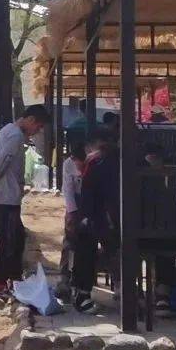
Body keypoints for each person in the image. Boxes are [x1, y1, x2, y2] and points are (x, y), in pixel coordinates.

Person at [0, 104, 51, 299]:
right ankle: (1, 284)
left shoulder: (2, 132)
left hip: (5, 195)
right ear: (31, 120)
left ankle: (14, 279)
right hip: (6, 198)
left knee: (17, 238)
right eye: (38, 126)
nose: (37, 131)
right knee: (8, 242)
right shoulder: (15, 136)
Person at [67, 128, 120, 313]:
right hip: (140, 228)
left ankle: (82, 293)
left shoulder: (95, 165)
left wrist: (82, 218)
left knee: (84, 234)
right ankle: (159, 294)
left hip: (108, 226)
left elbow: (88, 200)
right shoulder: (134, 160)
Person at [58, 142, 87, 300]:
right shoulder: (68, 164)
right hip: (75, 201)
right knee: (69, 241)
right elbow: (68, 190)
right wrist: (72, 213)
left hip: (92, 201)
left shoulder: (93, 164)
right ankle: (65, 278)